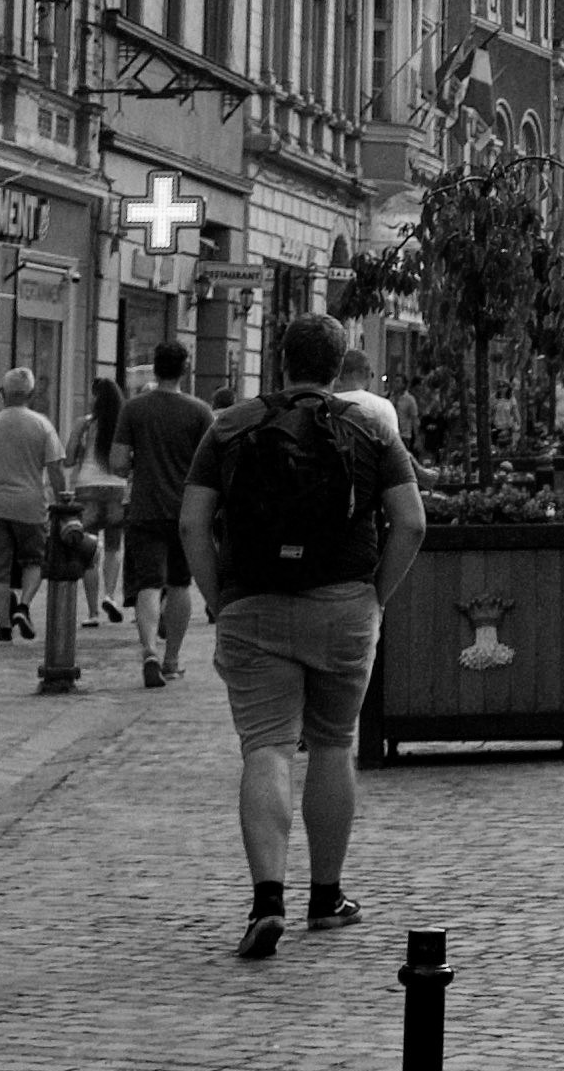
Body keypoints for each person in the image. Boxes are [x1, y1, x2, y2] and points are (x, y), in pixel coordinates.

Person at [190, 309, 424, 963]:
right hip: (343, 603)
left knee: (265, 749)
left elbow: (191, 523)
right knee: (331, 744)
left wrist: (219, 599)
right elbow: (411, 523)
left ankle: (268, 900)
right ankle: (326, 896)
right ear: (339, 365)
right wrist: (374, 595)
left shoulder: (230, 424)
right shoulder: (371, 427)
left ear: (281, 361)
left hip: (253, 603)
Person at [114, 341, 211, 688]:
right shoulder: (200, 412)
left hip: (145, 509)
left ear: (155, 368)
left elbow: (117, 462)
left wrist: (141, 464)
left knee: (149, 584)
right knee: (180, 584)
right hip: (186, 511)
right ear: (185, 369)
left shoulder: (134, 409)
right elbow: (210, 464)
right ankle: (172, 660)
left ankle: (149, 651)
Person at [0, 372, 65, 643]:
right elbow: (55, 468)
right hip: (31, 505)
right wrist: (62, 501)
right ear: (32, 394)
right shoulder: (42, 425)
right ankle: (23, 606)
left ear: (3, 393)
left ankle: (4, 627)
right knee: (33, 560)